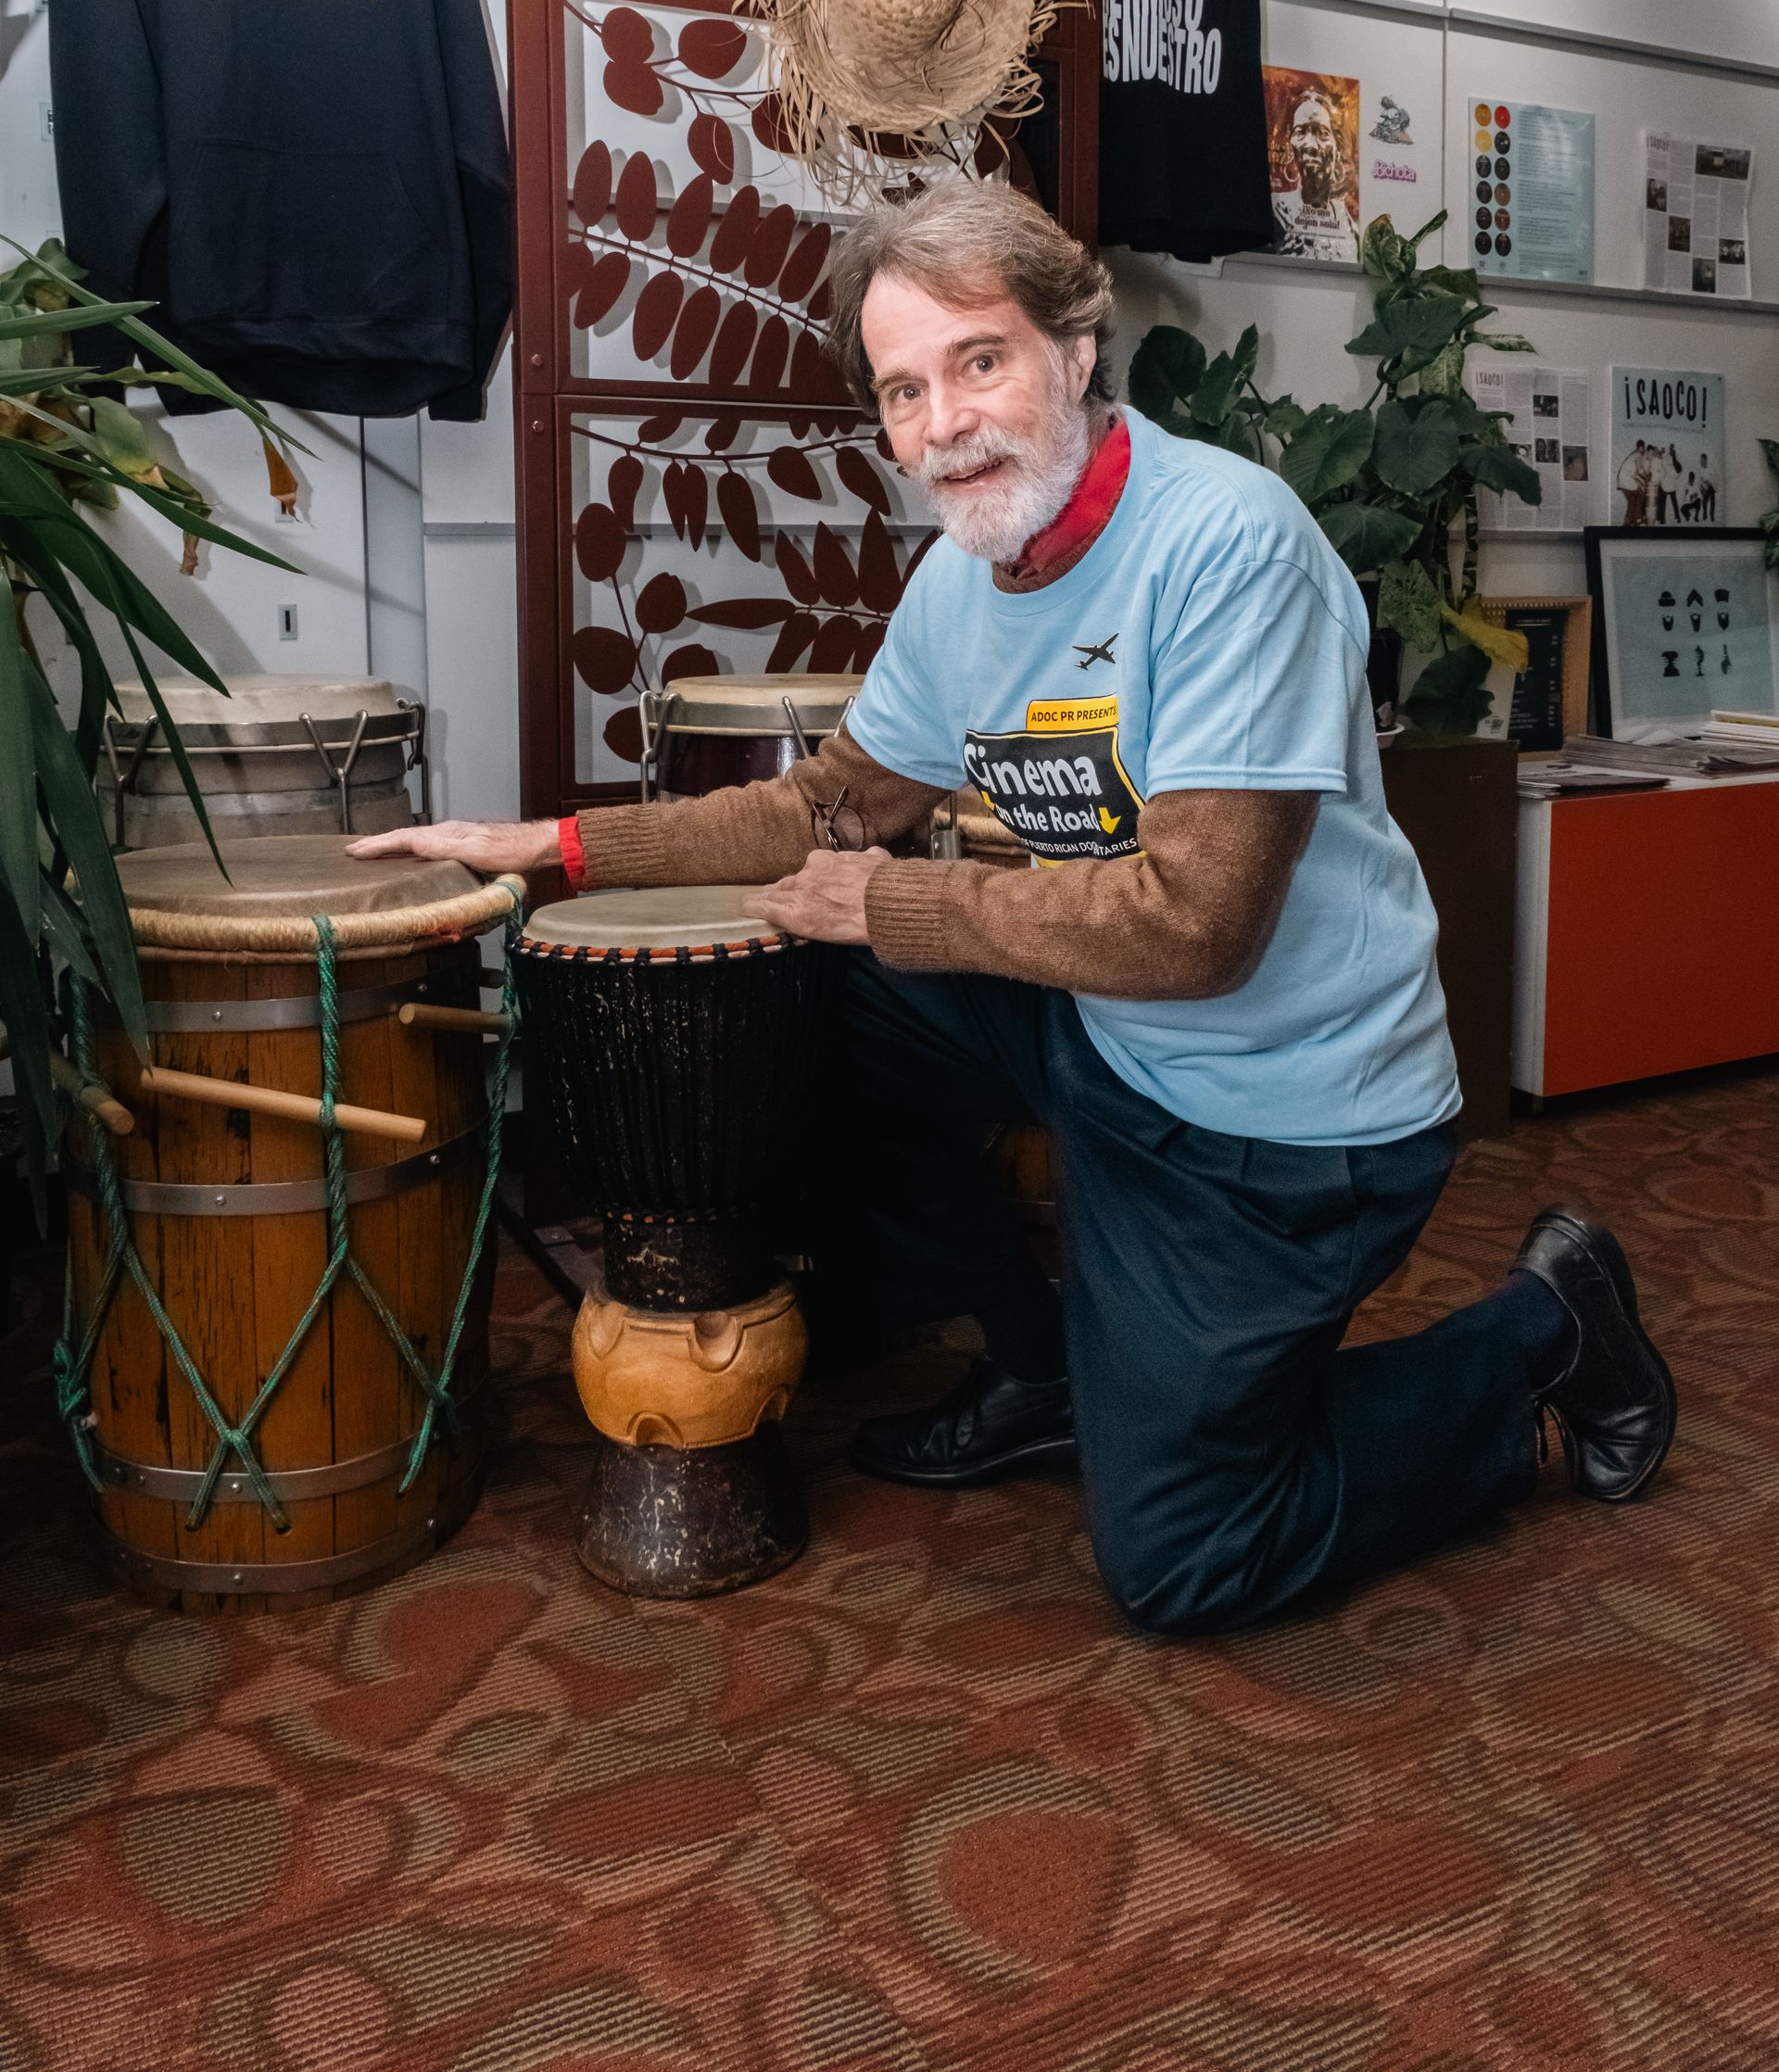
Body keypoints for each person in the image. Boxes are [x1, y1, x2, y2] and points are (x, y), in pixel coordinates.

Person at [354, 179, 1676, 1636]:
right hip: (1105, 1037)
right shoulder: (963, 580)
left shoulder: (1230, 548)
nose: (944, 424)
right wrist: (552, 843)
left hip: (1288, 1118)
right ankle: (1039, 1361)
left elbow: (1196, 927)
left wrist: (900, 907)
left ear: (1077, 347)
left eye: (977, 360)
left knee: (1188, 1559)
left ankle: (1543, 1334)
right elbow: (827, 805)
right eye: (902, 390)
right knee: (798, 986)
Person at [1269, 88, 1359, 261]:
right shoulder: (1276, 209)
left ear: (1337, 147)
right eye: (1300, 132)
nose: (1310, 145)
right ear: (1290, 146)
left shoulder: (1347, 222)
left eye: (1323, 133)